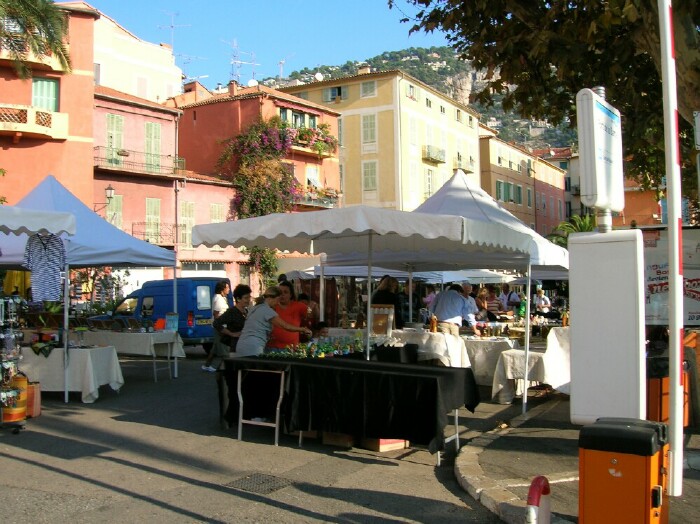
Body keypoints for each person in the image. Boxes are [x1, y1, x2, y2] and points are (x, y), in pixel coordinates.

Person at [236, 286, 312, 357]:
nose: (278, 303)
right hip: (254, 346)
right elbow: (285, 326)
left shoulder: (254, 308)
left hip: (241, 344)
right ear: (271, 298)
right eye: (277, 300)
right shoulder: (267, 310)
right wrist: (302, 329)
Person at [206, 284, 252, 370]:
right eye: (246, 298)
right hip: (235, 347)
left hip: (245, 346)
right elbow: (217, 323)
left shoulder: (246, 311)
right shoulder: (232, 312)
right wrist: (231, 333)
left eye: (249, 297)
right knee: (233, 372)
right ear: (238, 299)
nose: (248, 300)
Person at [267, 281, 310, 350]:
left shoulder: (299, 306)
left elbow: (310, 317)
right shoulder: (272, 306)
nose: (282, 295)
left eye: (285, 292)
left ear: (291, 295)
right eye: (280, 292)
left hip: (292, 349)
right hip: (272, 347)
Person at [202, 280, 231, 372]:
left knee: (214, 349)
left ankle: (207, 365)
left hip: (220, 326)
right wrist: (221, 328)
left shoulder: (221, 298)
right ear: (222, 289)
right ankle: (219, 368)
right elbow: (216, 314)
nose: (229, 289)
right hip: (220, 328)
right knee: (225, 350)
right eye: (227, 288)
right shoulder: (218, 299)